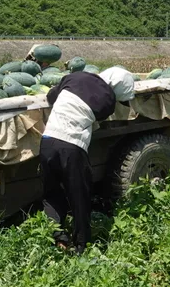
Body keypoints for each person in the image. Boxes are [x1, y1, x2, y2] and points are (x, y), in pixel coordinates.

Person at [40, 66, 135, 254]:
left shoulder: (75, 77)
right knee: (79, 197)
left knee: (51, 192)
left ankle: (57, 237)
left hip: (47, 141)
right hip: (72, 146)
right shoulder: (108, 101)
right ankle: (81, 245)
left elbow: (51, 97)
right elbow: (97, 116)